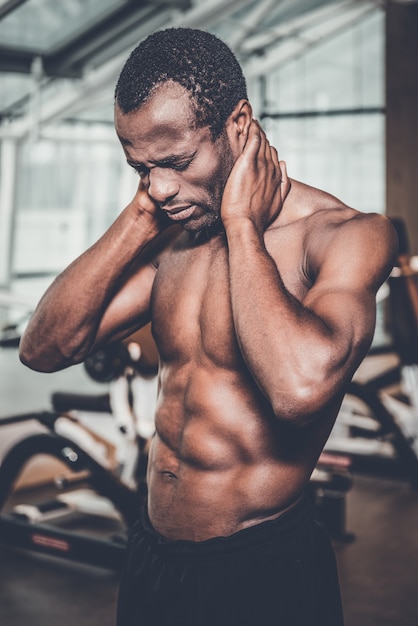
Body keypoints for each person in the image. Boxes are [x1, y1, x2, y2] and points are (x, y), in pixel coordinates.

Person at [19, 27, 397, 626]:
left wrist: (243, 224)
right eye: (140, 167)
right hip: (152, 555)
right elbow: (44, 347)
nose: (161, 186)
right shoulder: (172, 235)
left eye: (176, 161)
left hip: (265, 567)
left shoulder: (343, 235)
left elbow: (298, 391)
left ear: (239, 124)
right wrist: (143, 215)